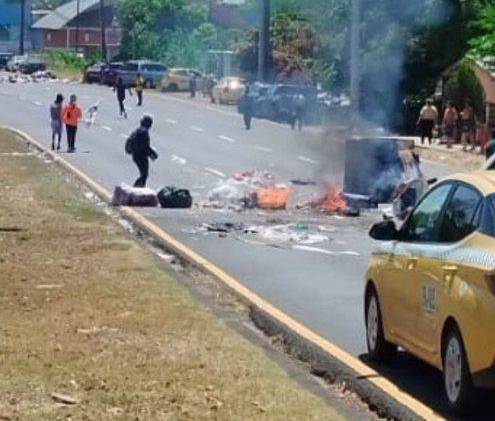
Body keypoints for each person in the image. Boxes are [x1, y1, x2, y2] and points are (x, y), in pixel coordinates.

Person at [128, 116, 158, 187]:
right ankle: (136, 189)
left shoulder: (138, 130)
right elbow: (145, 147)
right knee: (144, 175)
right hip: (141, 156)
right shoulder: (144, 132)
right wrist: (152, 154)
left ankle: (139, 188)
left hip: (136, 155)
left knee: (144, 174)